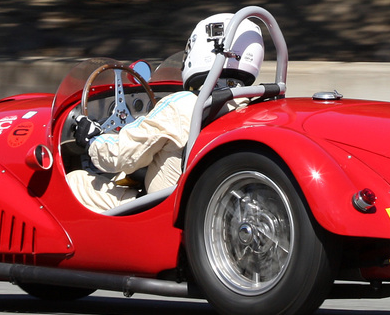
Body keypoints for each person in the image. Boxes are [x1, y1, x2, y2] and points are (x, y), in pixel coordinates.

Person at [66, 13, 265, 213]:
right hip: (208, 207)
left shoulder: (183, 105)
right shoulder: (253, 107)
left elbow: (120, 155)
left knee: (75, 181)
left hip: (160, 210)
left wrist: (93, 140)